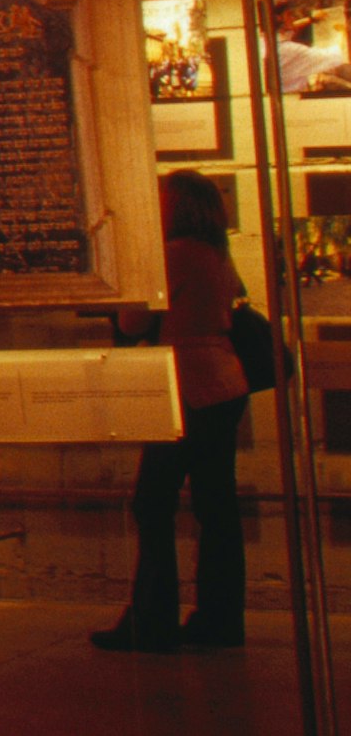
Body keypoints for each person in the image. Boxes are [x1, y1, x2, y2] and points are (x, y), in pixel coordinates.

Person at [97, 168, 253, 653]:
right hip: (225, 384)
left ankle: (151, 618)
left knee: (151, 502)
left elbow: (132, 318)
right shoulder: (216, 254)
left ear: (178, 207)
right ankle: (220, 619)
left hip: (184, 389)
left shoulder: (173, 255)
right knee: (217, 506)